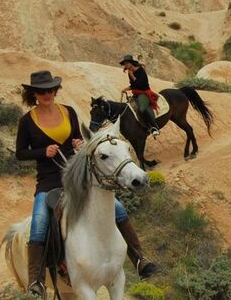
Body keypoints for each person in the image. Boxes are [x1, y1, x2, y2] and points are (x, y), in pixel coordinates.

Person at [16, 70, 158, 297]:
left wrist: (77, 143)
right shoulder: (26, 122)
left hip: (77, 175)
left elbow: (81, 140)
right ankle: (37, 280)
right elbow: (20, 153)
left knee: (118, 208)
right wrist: (43, 151)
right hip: (49, 181)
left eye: (51, 89)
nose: (47, 94)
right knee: (40, 222)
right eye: (42, 91)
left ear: (56, 90)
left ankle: (140, 259)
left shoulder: (68, 112)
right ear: (34, 94)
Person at [119, 54, 160, 136]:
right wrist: (125, 89)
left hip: (144, 93)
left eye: (127, 63)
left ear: (131, 63)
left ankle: (155, 127)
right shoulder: (130, 72)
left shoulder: (140, 70)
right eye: (125, 64)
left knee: (142, 109)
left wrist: (132, 75)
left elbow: (141, 84)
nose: (126, 65)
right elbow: (133, 85)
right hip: (136, 93)